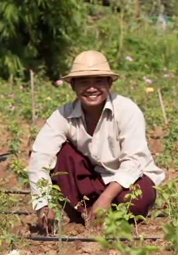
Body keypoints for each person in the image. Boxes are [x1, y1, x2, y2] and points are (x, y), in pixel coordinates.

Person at [28, 50, 165, 232]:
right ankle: (87, 212)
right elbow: (40, 157)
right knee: (63, 154)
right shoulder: (63, 115)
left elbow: (134, 162)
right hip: (95, 179)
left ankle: (100, 209)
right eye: (84, 82)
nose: (91, 88)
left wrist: (106, 198)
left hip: (132, 179)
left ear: (109, 83)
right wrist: (42, 206)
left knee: (133, 202)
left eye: (99, 81)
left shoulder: (127, 110)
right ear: (73, 86)